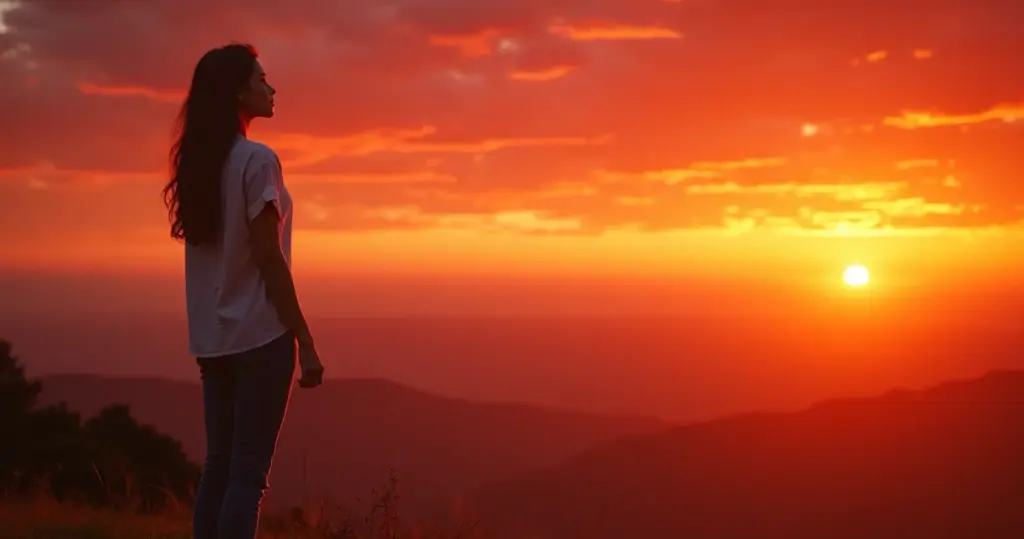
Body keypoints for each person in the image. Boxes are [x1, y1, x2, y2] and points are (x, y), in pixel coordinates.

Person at [160, 43, 325, 539]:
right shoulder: (258, 161)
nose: (271, 88)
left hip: (213, 341)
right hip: (260, 338)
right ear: (238, 92)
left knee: (219, 469)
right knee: (247, 479)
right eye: (262, 79)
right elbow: (268, 257)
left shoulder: (201, 166)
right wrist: (307, 342)